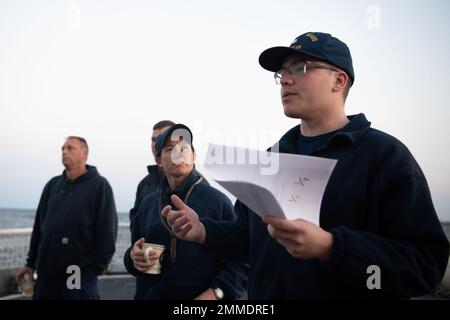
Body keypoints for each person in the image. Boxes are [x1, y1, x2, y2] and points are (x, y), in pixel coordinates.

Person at [162, 32, 450, 299]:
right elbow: (247, 240)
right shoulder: (270, 159)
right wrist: (203, 231)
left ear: (339, 80)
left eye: (300, 67)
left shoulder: (384, 156)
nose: (286, 80)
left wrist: (332, 247)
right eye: (282, 72)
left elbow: (425, 266)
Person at [124, 124, 248, 300]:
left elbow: (241, 259)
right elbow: (135, 249)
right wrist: (133, 258)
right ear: (158, 161)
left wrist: (217, 293)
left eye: (184, 147)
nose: (178, 153)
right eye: (169, 148)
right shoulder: (148, 204)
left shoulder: (218, 201)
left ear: (194, 156)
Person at [15, 136, 118, 299]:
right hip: (46, 276)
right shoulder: (52, 185)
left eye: (70, 148)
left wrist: (93, 270)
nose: (64, 151)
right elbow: (39, 228)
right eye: (62, 148)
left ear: (84, 154)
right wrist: (30, 264)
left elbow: (107, 234)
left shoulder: (99, 186)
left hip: (77, 275)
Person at [129, 120, 174, 230]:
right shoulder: (145, 184)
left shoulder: (197, 183)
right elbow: (136, 227)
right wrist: (135, 247)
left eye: (161, 138)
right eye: (153, 139)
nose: (155, 143)